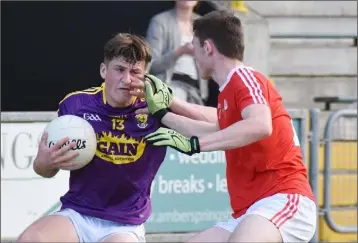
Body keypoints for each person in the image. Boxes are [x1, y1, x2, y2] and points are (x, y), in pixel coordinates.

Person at [134, 10, 317, 243]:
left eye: (195, 48)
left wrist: (195, 145)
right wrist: (165, 111)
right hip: (251, 211)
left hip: (284, 197)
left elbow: (260, 125)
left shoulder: (244, 77)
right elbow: (215, 126)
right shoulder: (229, 90)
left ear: (208, 48)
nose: (194, 56)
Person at [17, 33, 167, 243]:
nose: (127, 79)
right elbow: (44, 170)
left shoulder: (157, 112)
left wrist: (169, 105)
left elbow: (207, 126)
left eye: (135, 72)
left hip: (125, 224)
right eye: (119, 69)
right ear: (104, 70)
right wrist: (43, 162)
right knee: (31, 240)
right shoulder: (75, 106)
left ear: (145, 77)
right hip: (78, 215)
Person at [146, 0, 208, 105]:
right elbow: (151, 65)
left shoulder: (204, 24)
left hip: (196, 92)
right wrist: (180, 51)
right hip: (168, 85)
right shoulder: (160, 21)